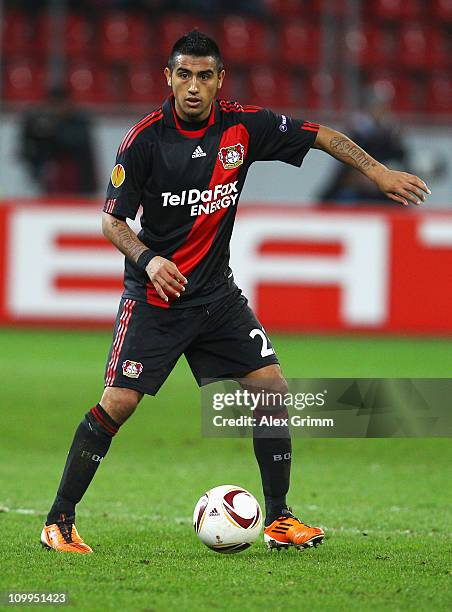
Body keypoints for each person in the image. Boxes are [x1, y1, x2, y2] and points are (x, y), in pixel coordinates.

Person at [40, 31, 430, 554]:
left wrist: (378, 171)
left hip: (217, 299)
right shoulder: (144, 140)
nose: (194, 87)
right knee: (118, 402)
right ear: (168, 78)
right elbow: (112, 222)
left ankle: (280, 520)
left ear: (220, 80)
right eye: (184, 75)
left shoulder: (244, 126)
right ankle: (59, 521)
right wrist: (150, 260)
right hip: (157, 299)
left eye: (205, 76)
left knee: (271, 389)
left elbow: (323, 135)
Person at [319, 84, 408, 205]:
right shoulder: (356, 132)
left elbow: (401, 163)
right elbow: (343, 170)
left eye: (383, 106)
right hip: (356, 189)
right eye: (377, 106)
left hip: (381, 190)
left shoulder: (392, 135)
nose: (380, 110)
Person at [20, 86, 97, 196]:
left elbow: (73, 144)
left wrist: (53, 129)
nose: (55, 109)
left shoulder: (78, 121)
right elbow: (30, 149)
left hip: (77, 181)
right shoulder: (37, 121)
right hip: (50, 181)